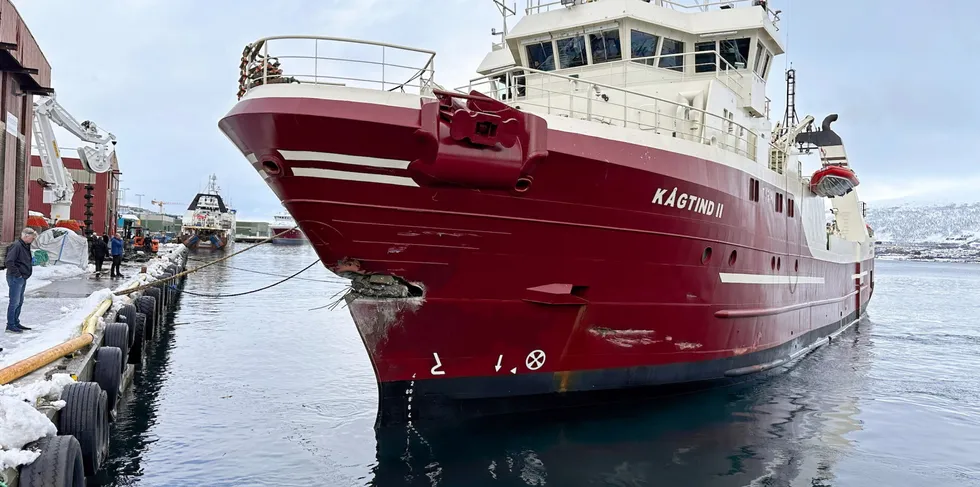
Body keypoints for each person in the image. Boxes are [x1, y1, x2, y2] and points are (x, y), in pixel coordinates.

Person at [5, 228, 38, 341]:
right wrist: (18, 275)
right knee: (14, 301)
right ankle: (10, 324)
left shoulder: (24, 246)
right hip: (16, 278)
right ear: (26, 236)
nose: (33, 240)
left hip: (22, 277)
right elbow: (9, 262)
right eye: (32, 238)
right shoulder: (17, 246)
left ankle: (15, 322)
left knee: (20, 301)